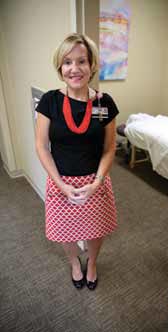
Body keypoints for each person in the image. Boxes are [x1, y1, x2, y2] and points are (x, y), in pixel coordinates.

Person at [35, 33, 119, 290]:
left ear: (92, 65)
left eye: (81, 61)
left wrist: (96, 182)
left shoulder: (104, 103)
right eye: (67, 62)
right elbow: (41, 146)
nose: (75, 68)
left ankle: (91, 263)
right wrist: (60, 184)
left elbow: (109, 147)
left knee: (95, 230)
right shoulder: (50, 101)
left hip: (95, 183)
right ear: (60, 67)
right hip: (61, 183)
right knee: (65, 232)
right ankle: (74, 263)